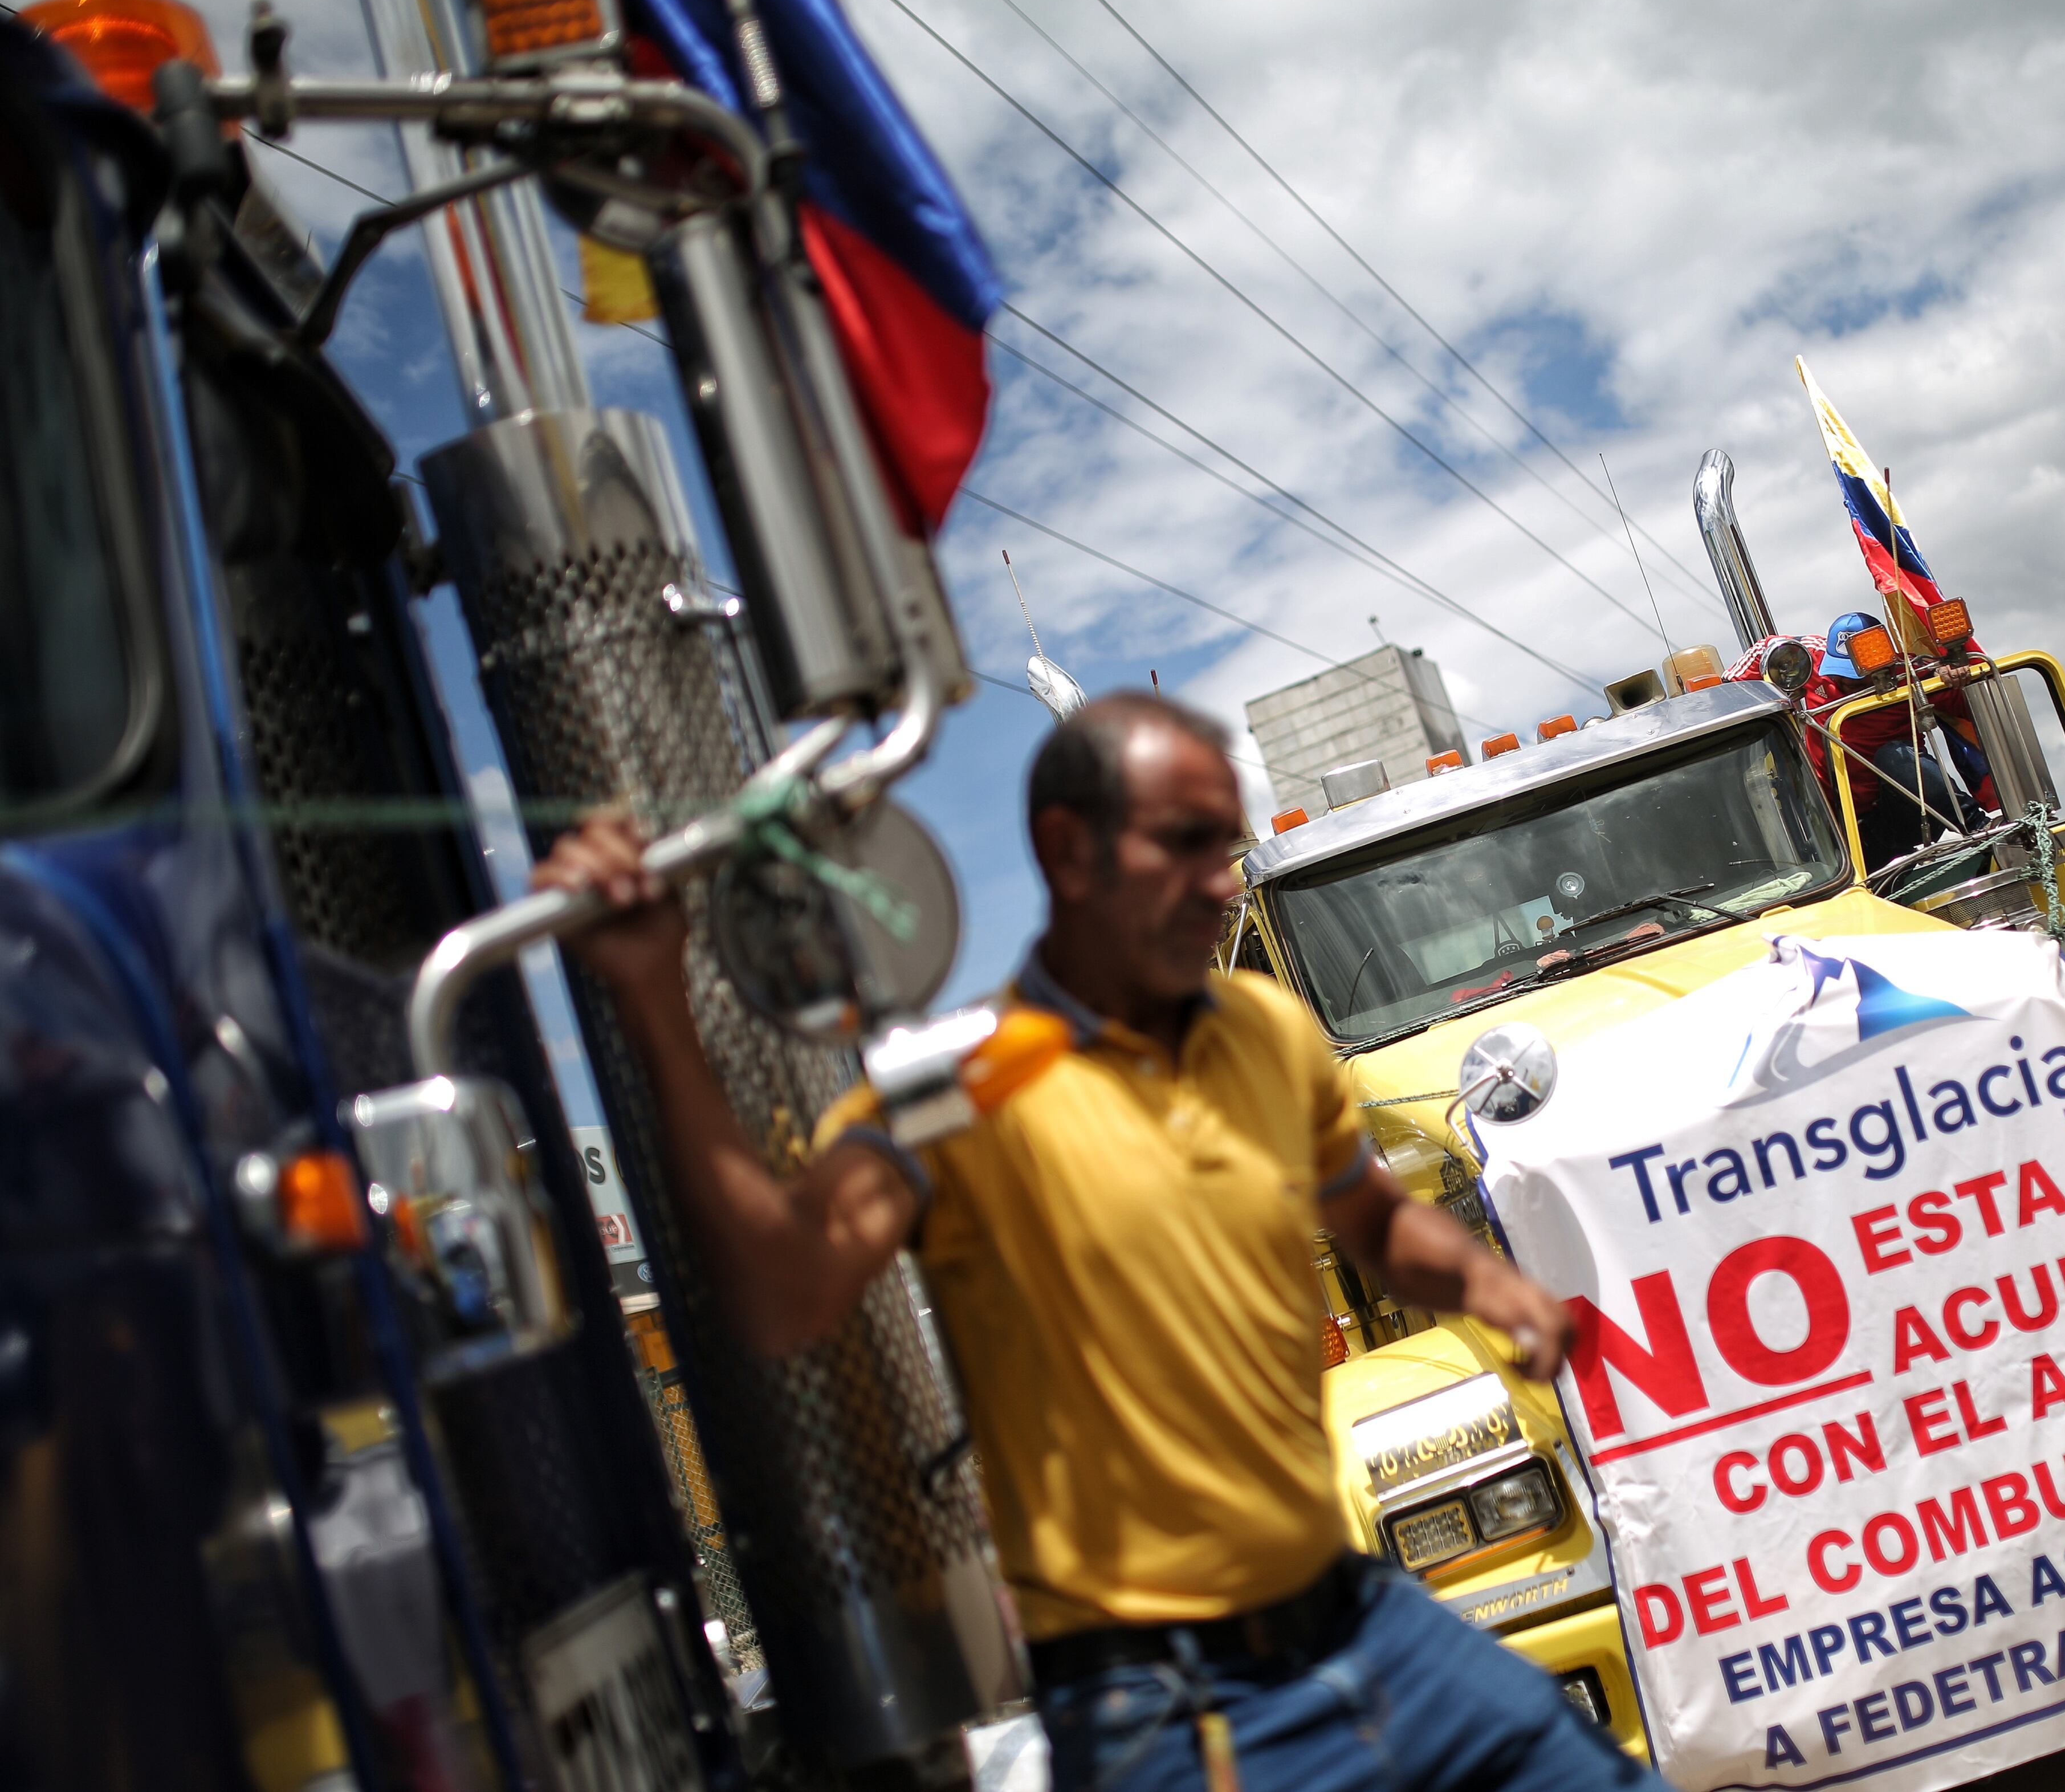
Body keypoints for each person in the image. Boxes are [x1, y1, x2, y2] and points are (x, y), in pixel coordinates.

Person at [536, 693, 1660, 1792]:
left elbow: (1364, 1213)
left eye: (1227, 846)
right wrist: (652, 1000)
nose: (1224, 885)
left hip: (1368, 1620)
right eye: (1187, 846)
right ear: (1069, 852)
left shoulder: (1261, 1030)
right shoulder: (961, 1093)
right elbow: (785, 1292)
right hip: (1169, 1705)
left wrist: (1479, 1277)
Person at [1736, 613, 1976, 866]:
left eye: (1857, 676)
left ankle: (1977, 826)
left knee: (1895, 755)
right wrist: (1721, 690)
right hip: (1836, 821)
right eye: (1838, 671)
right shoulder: (1806, 658)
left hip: (1903, 809)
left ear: (1883, 665)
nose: (1844, 681)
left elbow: (1971, 710)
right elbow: (1765, 650)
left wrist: (1956, 675)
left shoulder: (1911, 674)